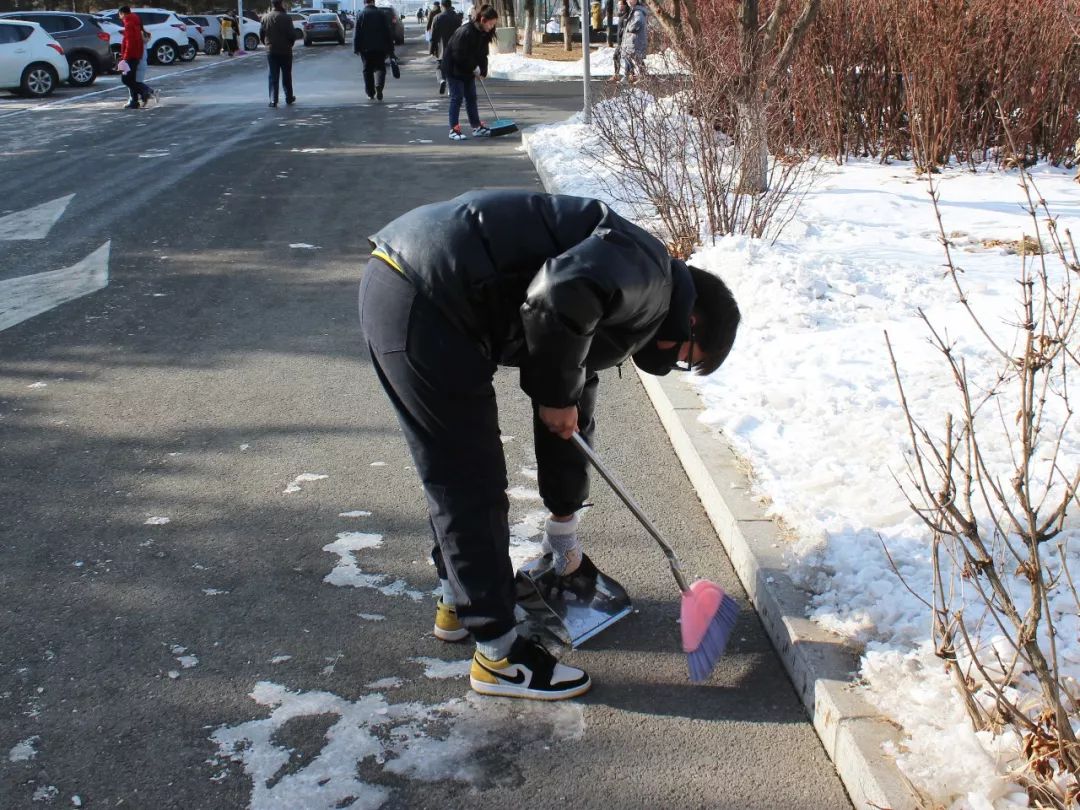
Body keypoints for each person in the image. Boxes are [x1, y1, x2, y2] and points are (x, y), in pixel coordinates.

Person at [360, 189, 741, 700]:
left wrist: (564, 526)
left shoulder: (631, 294)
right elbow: (559, 293)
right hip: (426, 292)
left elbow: (571, 392)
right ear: (693, 320)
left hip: (422, 287)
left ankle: (460, 598)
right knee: (467, 477)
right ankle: (499, 657)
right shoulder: (650, 274)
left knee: (464, 471)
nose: (675, 366)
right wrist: (554, 395)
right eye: (688, 359)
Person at [441, 4, 496, 140]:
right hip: (454, 68)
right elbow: (458, 54)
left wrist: (483, 70)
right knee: (457, 97)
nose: (491, 27)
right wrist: (473, 67)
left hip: (466, 70)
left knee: (471, 97)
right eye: (491, 24)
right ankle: (453, 129)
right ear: (482, 20)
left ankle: (476, 126)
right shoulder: (465, 31)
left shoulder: (483, 33)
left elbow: (483, 54)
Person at [353, 0, 394, 101]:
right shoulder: (381, 14)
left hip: (365, 48)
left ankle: (370, 93)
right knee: (380, 67)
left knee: (367, 70)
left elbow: (357, 33)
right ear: (374, 2)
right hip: (381, 47)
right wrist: (390, 48)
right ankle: (379, 85)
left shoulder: (360, 14)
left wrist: (356, 48)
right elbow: (387, 32)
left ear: (364, 3)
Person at [260, 0, 296, 107]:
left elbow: (261, 34)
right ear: (281, 3)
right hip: (285, 50)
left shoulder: (265, 18)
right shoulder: (286, 18)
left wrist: (267, 45)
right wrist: (289, 44)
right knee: (286, 75)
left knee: (273, 75)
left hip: (271, 50)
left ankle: (273, 100)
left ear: (272, 4)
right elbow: (292, 35)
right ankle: (289, 97)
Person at [118, 6, 151, 109]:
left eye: (119, 15)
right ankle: (134, 101)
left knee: (126, 79)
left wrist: (125, 58)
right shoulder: (135, 21)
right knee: (131, 79)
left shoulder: (129, 24)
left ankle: (146, 90)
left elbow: (130, 42)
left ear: (122, 13)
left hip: (131, 56)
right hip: (137, 55)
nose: (119, 17)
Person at [429, 0, 461, 95]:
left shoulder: (437, 17)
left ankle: (442, 80)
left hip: (442, 48)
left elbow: (433, 36)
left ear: (442, 6)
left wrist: (432, 49)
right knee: (452, 67)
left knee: (440, 67)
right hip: (455, 47)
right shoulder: (457, 17)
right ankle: (451, 88)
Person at [620, 0, 646, 83]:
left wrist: (629, 28)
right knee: (628, 57)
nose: (628, 1)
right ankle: (627, 76)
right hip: (631, 41)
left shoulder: (638, 11)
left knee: (636, 59)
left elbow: (638, 21)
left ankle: (641, 76)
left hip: (635, 41)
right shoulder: (633, 10)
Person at [607, 0, 628, 83]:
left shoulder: (626, 15)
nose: (618, 6)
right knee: (616, 56)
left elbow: (626, 28)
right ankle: (617, 75)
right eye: (618, 5)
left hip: (624, 41)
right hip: (620, 42)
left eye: (620, 5)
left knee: (628, 59)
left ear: (625, 5)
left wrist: (622, 33)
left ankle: (632, 75)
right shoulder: (621, 15)